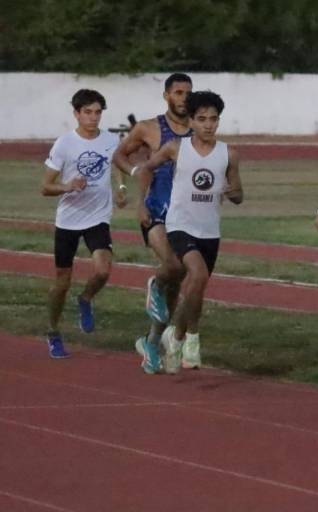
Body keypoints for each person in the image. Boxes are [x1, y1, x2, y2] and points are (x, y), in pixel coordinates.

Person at [134, 91, 243, 374]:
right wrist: (141, 203)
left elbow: (238, 193)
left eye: (214, 119)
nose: (209, 125)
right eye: (202, 119)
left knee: (197, 288)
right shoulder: (175, 148)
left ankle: (177, 334)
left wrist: (234, 192)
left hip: (210, 230)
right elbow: (147, 168)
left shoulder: (229, 153)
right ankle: (191, 338)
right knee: (198, 275)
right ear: (191, 121)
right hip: (180, 225)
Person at [114, 73, 195, 370]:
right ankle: (153, 282)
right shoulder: (148, 128)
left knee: (177, 281)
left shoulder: (200, 129)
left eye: (187, 92)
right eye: (178, 92)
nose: (183, 97)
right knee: (172, 266)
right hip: (155, 209)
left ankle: (151, 341)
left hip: (186, 213)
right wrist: (136, 177)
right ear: (166, 96)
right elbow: (120, 155)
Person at [41, 89, 125, 358]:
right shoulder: (65, 144)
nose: (93, 117)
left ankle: (86, 298)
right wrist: (68, 186)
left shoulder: (111, 140)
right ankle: (53, 332)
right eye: (87, 112)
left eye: (98, 112)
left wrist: (121, 186)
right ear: (76, 114)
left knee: (102, 271)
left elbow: (120, 163)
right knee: (62, 282)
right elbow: (45, 186)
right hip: (68, 221)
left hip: (98, 218)